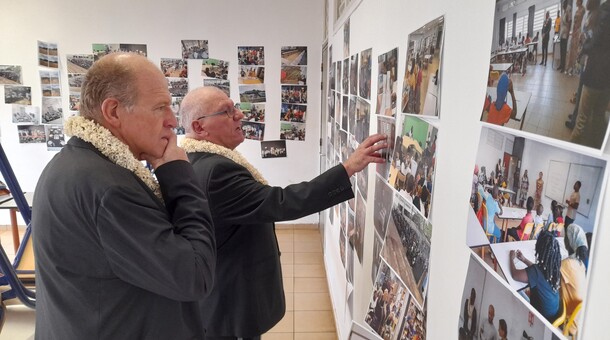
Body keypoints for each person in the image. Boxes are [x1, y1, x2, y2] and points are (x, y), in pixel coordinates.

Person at [31, 53, 217, 339]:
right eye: (160, 107)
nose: (172, 121)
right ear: (114, 111)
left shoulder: (74, 162)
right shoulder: (111, 188)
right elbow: (195, 276)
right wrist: (179, 175)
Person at [179, 86, 387, 340]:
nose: (239, 116)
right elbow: (281, 202)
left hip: (220, 293)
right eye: (227, 111)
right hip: (231, 302)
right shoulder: (216, 171)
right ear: (199, 127)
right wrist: (348, 168)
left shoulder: (196, 161)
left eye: (235, 108)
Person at [570, 0, 610, 148]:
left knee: (583, 118)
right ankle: (595, 146)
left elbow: (596, 41)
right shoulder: (598, 11)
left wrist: (583, 49)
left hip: (595, 73)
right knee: (598, 118)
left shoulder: (604, 11)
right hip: (607, 78)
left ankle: (574, 148)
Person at [510, 231, 562, 322]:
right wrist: (524, 259)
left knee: (515, 291)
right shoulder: (554, 269)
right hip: (553, 314)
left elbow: (515, 275)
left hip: (541, 319)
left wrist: (511, 259)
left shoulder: (535, 273)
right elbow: (538, 271)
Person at [560, 224, 588, 335]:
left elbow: (545, 273)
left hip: (568, 325)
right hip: (578, 322)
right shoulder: (580, 264)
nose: (564, 239)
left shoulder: (567, 264)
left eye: (566, 237)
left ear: (570, 242)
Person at [567, 0, 586, 75]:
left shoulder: (583, 9)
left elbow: (581, 21)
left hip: (578, 31)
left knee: (575, 50)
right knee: (571, 49)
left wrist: (579, 32)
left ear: (580, 1)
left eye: (577, 1)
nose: (576, 2)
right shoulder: (577, 10)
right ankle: (569, 67)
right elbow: (574, 22)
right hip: (574, 30)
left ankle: (574, 68)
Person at [558, 0, 573, 72]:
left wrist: (567, 33)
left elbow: (570, 21)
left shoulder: (568, 9)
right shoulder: (563, 11)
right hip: (562, 33)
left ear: (566, 3)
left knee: (564, 51)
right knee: (561, 50)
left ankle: (563, 67)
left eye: (563, 3)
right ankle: (561, 65)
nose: (562, 5)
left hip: (565, 34)